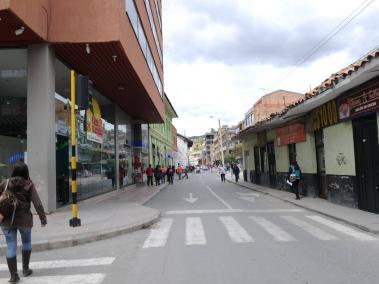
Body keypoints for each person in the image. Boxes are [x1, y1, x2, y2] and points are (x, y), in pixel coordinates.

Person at [0, 161, 47, 283]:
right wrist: (43, 219)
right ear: (26, 172)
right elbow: (37, 203)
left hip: (6, 220)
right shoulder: (29, 184)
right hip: (24, 220)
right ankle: (25, 270)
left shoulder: (5, 183)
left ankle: (13, 275)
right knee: (26, 242)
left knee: (11, 245)